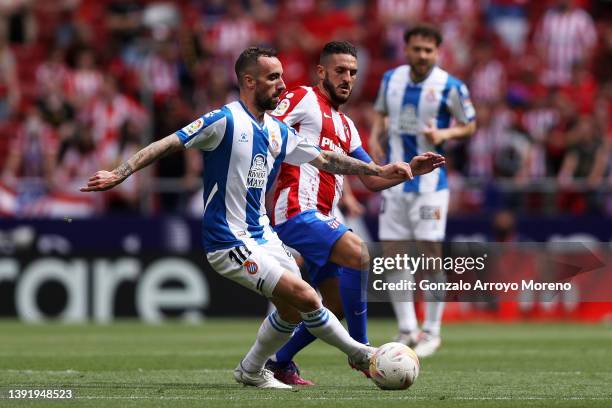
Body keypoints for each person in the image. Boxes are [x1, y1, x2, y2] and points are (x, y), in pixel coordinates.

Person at [81, 46, 416, 389]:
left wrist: (379, 169)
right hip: (228, 240)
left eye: (282, 77)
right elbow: (169, 143)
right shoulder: (223, 120)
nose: (282, 85)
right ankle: (361, 353)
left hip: (263, 236)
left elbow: (328, 159)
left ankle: (252, 369)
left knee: (289, 309)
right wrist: (121, 172)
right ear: (248, 81)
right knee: (307, 297)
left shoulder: (276, 131)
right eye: (273, 78)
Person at [264, 41, 445, 385]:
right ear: (321, 72)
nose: (348, 78)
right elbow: (266, 128)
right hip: (295, 211)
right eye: (340, 71)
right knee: (360, 253)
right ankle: (362, 351)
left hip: (322, 215)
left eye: (352, 73)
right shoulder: (302, 98)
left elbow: (372, 176)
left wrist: (411, 169)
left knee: (334, 306)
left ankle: (279, 362)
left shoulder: (347, 126)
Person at [369, 24, 477, 357]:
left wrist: (445, 136)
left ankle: (432, 330)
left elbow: (470, 124)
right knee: (393, 254)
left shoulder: (450, 86)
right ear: (407, 49)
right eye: (416, 49)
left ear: (437, 52)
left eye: (428, 50)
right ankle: (407, 330)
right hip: (395, 180)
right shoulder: (391, 80)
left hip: (431, 185)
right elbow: (380, 115)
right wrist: (375, 138)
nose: (422, 55)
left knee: (430, 252)